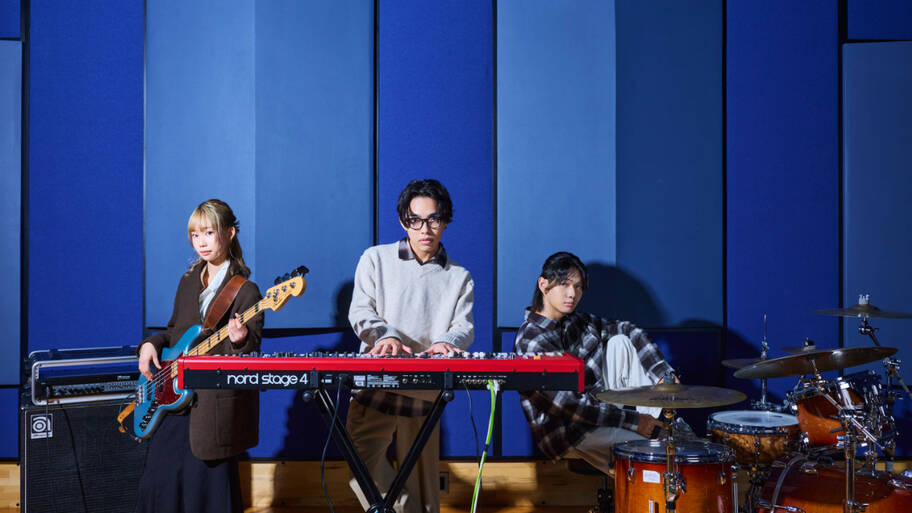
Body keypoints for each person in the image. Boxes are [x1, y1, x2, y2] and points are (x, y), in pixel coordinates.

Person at [347, 179, 474, 513]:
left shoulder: (459, 277)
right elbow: (360, 311)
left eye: (434, 220)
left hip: (425, 384)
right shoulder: (375, 259)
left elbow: (463, 327)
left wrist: (446, 342)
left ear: (446, 221)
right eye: (415, 220)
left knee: (423, 478)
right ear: (403, 221)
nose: (425, 229)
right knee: (360, 462)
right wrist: (385, 336)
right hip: (377, 376)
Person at [135, 199, 263, 513]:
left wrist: (240, 341)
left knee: (206, 494)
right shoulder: (188, 281)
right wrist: (150, 344)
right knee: (158, 486)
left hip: (213, 410)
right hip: (173, 399)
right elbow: (173, 332)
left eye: (209, 232)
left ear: (230, 233)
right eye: (195, 234)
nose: (201, 242)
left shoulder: (247, 291)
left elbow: (250, 357)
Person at [513, 251, 674, 475]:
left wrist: (661, 373)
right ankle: (654, 446)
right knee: (656, 456)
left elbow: (627, 329)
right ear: (543, 285)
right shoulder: (532, 342)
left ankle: (661, 425)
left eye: (578, 287)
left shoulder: (576, 321)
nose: (572, 294)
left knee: (620, 341)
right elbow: (570, 406)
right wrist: (634, 421)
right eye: (564, 284)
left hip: (599, 411)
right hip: (569, 429)